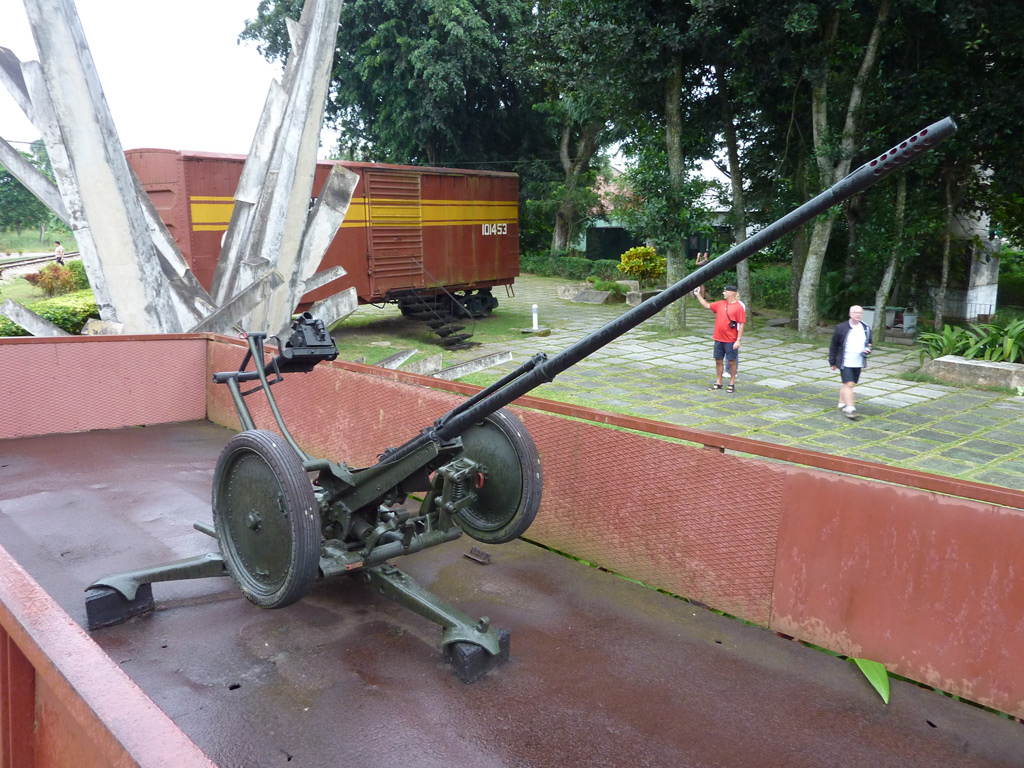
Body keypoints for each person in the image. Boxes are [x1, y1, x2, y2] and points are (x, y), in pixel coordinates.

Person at [693, 283, 746, 393]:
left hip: (731, 339)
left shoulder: (738, 307)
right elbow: (707, 306)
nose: (723, 293)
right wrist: (698, 295)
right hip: (718, 338)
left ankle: (732, 383)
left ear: (731, 293)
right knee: (718, 360)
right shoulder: (720, 304)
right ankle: (719, 382)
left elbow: (741, 324)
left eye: (725, 291)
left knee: (731, 362)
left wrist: (738, 340)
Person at [829, 305, 872, 420]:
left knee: (847, 383)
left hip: (858, 361)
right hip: (845, 361)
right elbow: (834, 345)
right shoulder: (841, 327)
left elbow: (869, 343)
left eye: (860, 313)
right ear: (850, 314)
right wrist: (832, 362)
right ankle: (850, 408)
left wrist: (868, 349)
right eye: (855, 312)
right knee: (849, 384)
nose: (858, 315)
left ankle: (841, 403)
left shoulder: (866, 328)